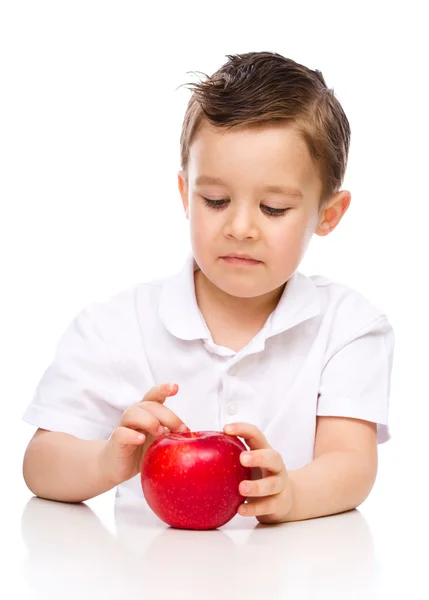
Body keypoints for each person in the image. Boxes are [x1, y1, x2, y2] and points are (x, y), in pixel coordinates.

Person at [22, 51, 394, 525]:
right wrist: (106, 462)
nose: (240, 227)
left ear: (328, 215)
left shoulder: (349, 326)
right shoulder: (114, 326)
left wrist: (291, 494)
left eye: (274, 207)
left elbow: (352, 464)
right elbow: (39, 464)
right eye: (215, 200)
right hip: (145, 582)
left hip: (292, 582)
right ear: (185, 194)